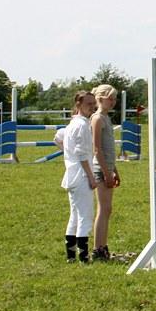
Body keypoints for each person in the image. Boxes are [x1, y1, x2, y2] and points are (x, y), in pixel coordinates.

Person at [61, 91, 97, 263]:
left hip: (71, 173)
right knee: (85, 216)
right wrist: (91, 176)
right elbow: (82, 154)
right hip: (81, 175)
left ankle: (70, 256)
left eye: (93, 103)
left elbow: (57, 138)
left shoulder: (72, 124)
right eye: (88, 104)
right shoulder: (82, 125)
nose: (92, 106)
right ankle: (83, 256)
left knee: (74, 216)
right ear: (78, 105)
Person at [91, 84, 121, 261]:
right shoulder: (97, 119)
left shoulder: (107, 118)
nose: (113, 101)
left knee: (108, 209)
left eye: (114, 98)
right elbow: (97, 149)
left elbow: (110, 150)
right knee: (103, 209)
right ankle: (98, 248)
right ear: (100, 98)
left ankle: (103, 246)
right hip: (100, 169)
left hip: (108, 168)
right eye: (110, 98)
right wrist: (106, 172)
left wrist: (114, 170)